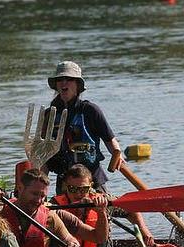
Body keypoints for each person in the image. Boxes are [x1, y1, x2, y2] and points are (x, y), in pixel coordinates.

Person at [42, 61, 125, 193]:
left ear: (77, 85)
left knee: (103, 211)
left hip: (93, 180)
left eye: (69, 79)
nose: (64, 83)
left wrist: (117, 154)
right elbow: (43, 154)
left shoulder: (90, 110)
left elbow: (110, 140)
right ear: (56, 85)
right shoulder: (49, 115)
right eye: (60, 80)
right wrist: (40, 186)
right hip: (65, 185)